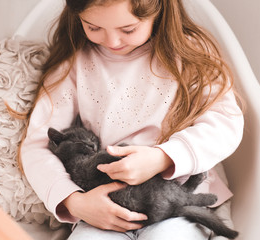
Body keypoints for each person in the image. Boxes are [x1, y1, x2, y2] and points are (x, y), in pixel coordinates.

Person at [19, 0, 244, 239]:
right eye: (93, 27)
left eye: (128, 30)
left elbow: (225, 124)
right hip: (104, 209)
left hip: (177, 205)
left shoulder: (190, 55)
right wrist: (75, 202)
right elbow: (37, 146)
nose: (113, 42)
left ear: (158, 11)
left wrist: (163, 158)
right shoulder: (74, 64)